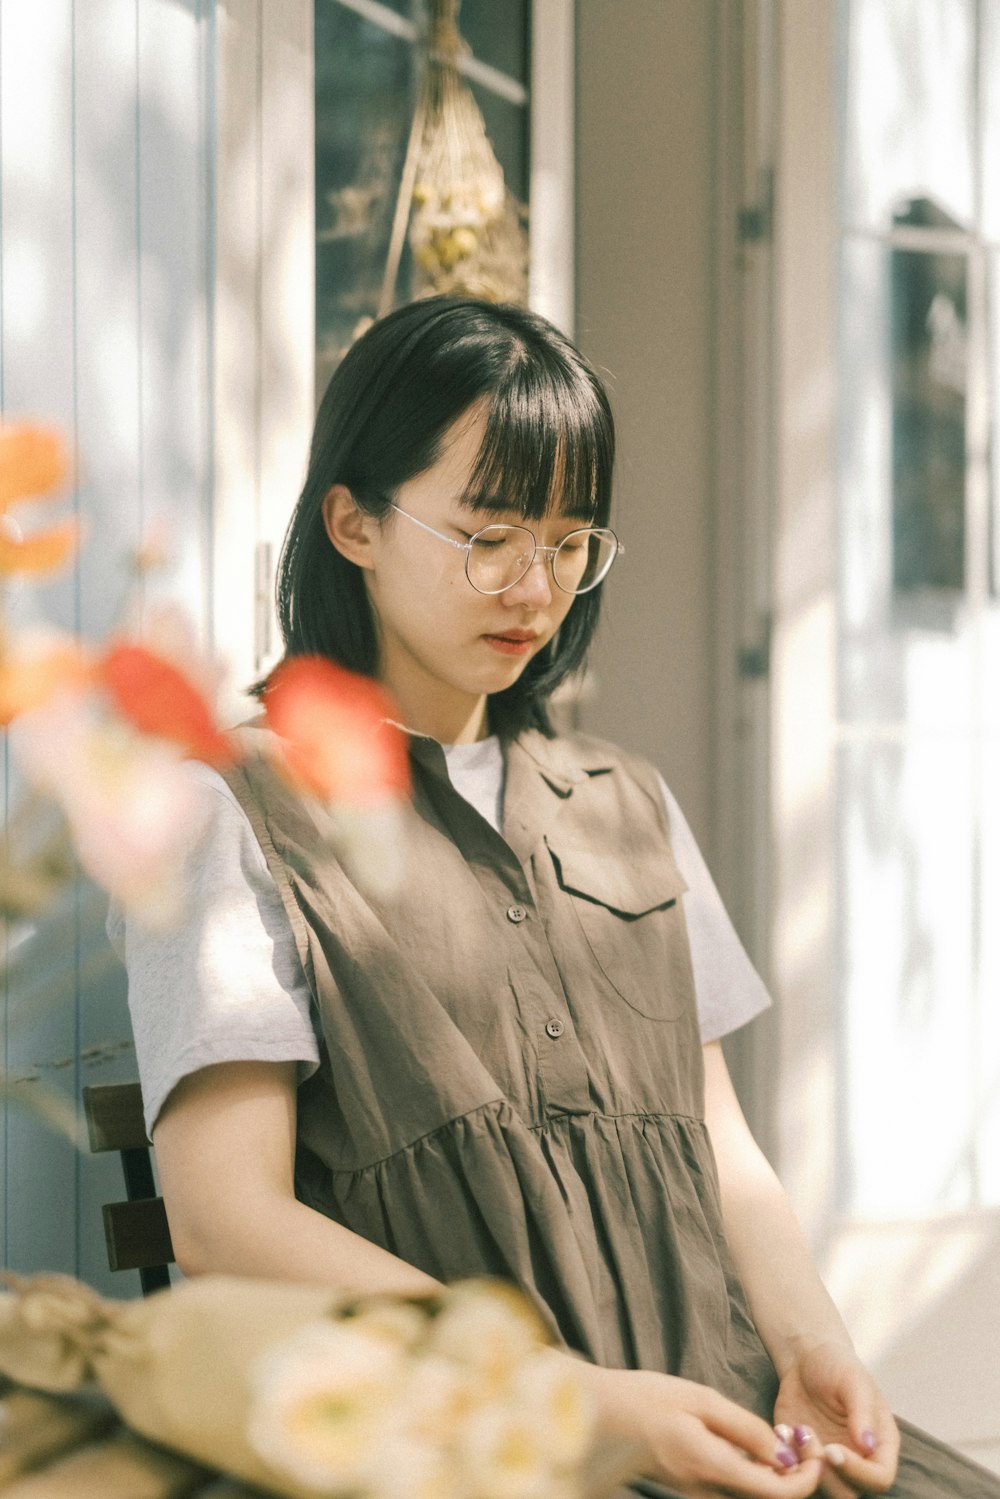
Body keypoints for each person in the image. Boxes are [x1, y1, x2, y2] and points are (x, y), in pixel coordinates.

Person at [111, 296, 1000, 1499]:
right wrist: (566, 1396)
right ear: (353, 521)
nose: (537, 585)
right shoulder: (235, 808)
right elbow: (225, 1218)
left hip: (716, 1409)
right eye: (489, 536)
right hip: (468, 1445)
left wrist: (811, 1341)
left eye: (571, 541)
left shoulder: (624, 797)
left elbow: (717, 1137)